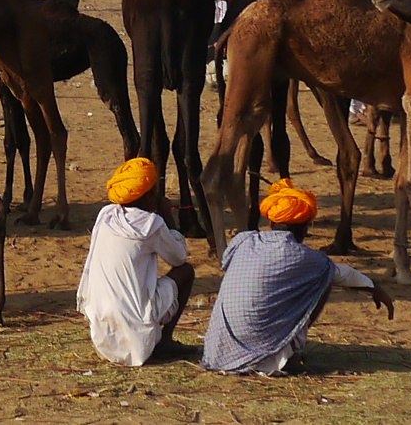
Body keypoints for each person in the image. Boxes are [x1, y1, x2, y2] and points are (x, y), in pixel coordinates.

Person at [203, 180, 392, 376]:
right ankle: (289, 358)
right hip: (258, 351)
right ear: (305, 228)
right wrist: (374, 288)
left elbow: (225, 262)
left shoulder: (244, 240)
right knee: (323, 279)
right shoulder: (307, 258)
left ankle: (277, 353)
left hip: (217, 353)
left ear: (271, 222)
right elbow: (343, 274)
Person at [75, 158, 196, 366]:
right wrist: (168, 217)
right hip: (136, 331)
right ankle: (165, 342)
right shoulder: (152, 224)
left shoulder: (105, 214)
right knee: (186, 271)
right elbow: (178, 258)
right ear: (149, 196)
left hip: (102, 329)